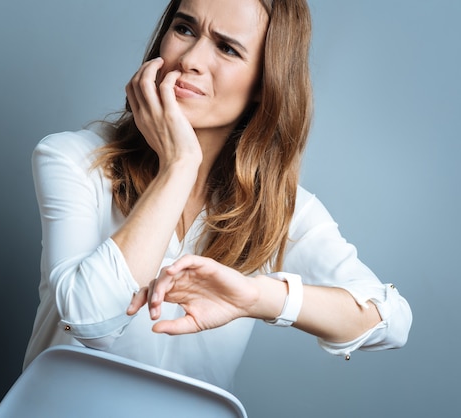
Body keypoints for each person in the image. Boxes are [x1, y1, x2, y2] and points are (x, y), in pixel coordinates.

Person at [23, 0, 412, 390]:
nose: (190, 59)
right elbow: (88, 321)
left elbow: (390, 320)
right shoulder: (73, 160)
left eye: (227, 48)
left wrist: (258, 298)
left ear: (265, 82)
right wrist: (180, 166)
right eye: (185, 29)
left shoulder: (280, 210)